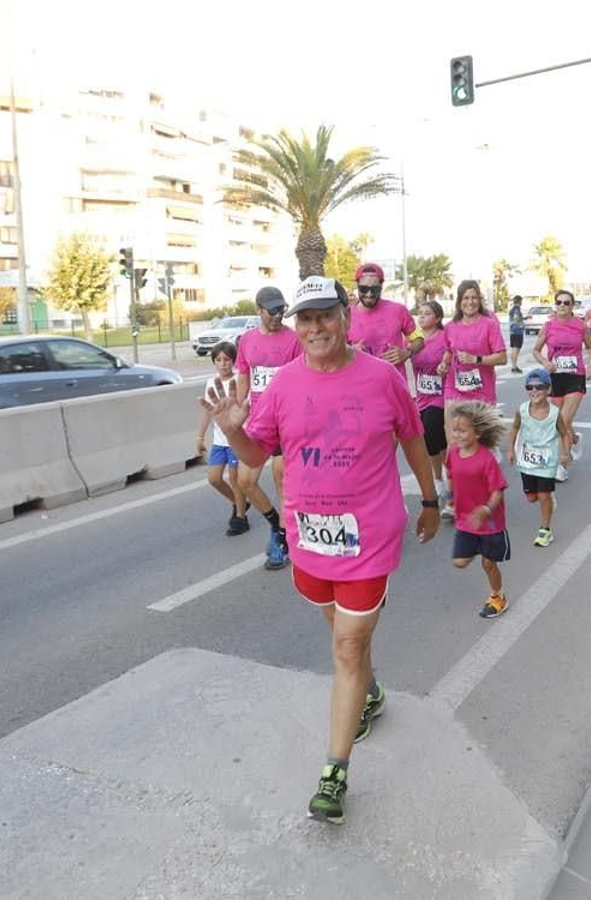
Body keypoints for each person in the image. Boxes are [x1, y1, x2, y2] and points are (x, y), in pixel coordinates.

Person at [202, 275, 440, 826]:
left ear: (345, 317)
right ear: (296, 326)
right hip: (309, 541)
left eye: (325, 316)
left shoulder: (382, 379)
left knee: (348, 648)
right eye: (305, 320)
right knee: (343, 638)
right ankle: (369, 693)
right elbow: (256, 451)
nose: (315, 328)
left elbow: (410, 438)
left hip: (369, 538)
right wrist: (232, 430)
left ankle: (334, 772)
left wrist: (430, 498)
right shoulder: (283, 384)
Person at [234, 286, 302, 570]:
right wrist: (239, 408)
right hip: (259, 422)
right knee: (245, 480)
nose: (277, 315)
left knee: (281, 478)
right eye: (271, 310)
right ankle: (276, 524)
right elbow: (244, 374)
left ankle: (284, 539)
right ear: (258, 310)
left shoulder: (294, 339)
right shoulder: (247, 340)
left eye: (281, 309)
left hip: (287, 420)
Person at [447, 400, 511, 619]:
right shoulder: (453, 454)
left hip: (490, 521)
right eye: (454, 430)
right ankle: (475, 546)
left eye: (462, 430)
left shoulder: (486, 459)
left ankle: (498, 595)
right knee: (460, 562)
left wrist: (486, 508)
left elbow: (498, 490)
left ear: (477, 433)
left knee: (488, 563)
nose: (457, 435)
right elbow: (451, 475)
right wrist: (451, 497)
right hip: (466, 519)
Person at [532, 288, 591, 480]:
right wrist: (545, 363)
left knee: (563, 421)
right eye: (559, 302)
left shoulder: (580, 325)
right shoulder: (548, 326)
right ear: (555, 304)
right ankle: (574, 439)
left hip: (576, 376)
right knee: (562, 421)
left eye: (566, 303)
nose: (562, 306)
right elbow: (535, 350)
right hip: (556, 377)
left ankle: (563, 463)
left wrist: (590, 366)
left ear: (572, 306)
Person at [506, 368, 572, 548]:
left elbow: (564, 434)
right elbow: (514, 428)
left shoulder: (554, 413)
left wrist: (565, 453)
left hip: (547, 462)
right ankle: (548, 500)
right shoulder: (522, 410)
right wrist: (511, 449)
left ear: (548, 390)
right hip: (527, 461)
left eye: (539, 387)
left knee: (542, 496)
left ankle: (545, 530)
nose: (534, 391)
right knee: (532, 498)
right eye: (530, 387)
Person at [196, 342, 247, 535]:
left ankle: (240, 517)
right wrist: (200, 436)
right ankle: (240, 502)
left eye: (227, 359)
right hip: (219, 441)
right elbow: (207, 413)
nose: (223, 364)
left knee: (235, 479)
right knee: (214, 478)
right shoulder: (211, 382)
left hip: (235, 439)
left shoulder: (238, 381)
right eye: (218, 360)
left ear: (233, 361)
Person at [411, 299, 454, 518]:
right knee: (429, 440)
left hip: (442, 393)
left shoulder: (443, 337)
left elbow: (453, 356)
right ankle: (440, 478)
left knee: (434, 432)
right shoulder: (415, 340)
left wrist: (445, 365)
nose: (422, 316)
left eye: (427, 313)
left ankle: (448, 477)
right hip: (422, 396)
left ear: (437, 318)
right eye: (420, 313)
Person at [444, 280, 507, 421]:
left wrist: (476, 359)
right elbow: (448, 351)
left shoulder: (489, 325)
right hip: (454, 388)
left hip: (482, 391)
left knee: (483, 440)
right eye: (466, 298)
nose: (470, 302)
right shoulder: (450, 327)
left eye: (474, 297)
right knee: (453, 436)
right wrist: (443, 365)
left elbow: (502, 357)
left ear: (479, 300)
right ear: (459, 301)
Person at [347, 262, 422, 380]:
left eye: (374, 289)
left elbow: (419, 340)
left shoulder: (398, 310)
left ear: (381, 286)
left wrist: (406, 353)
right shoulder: (346, 315)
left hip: (393, 386)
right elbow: (334, 349)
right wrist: (351, 351)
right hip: (360, 385)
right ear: (357, 285)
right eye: (364, 288)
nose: (369, 294)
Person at [506, 295, 526, 372]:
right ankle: (514, 366)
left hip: (512, 331)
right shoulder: (517, 309)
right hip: (517, 331)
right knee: (516, 348)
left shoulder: (512, 309)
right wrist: (520, 325)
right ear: (520, 301)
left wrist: (524, 318)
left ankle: (514, 365)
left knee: (514, 348)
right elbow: (516, 318)